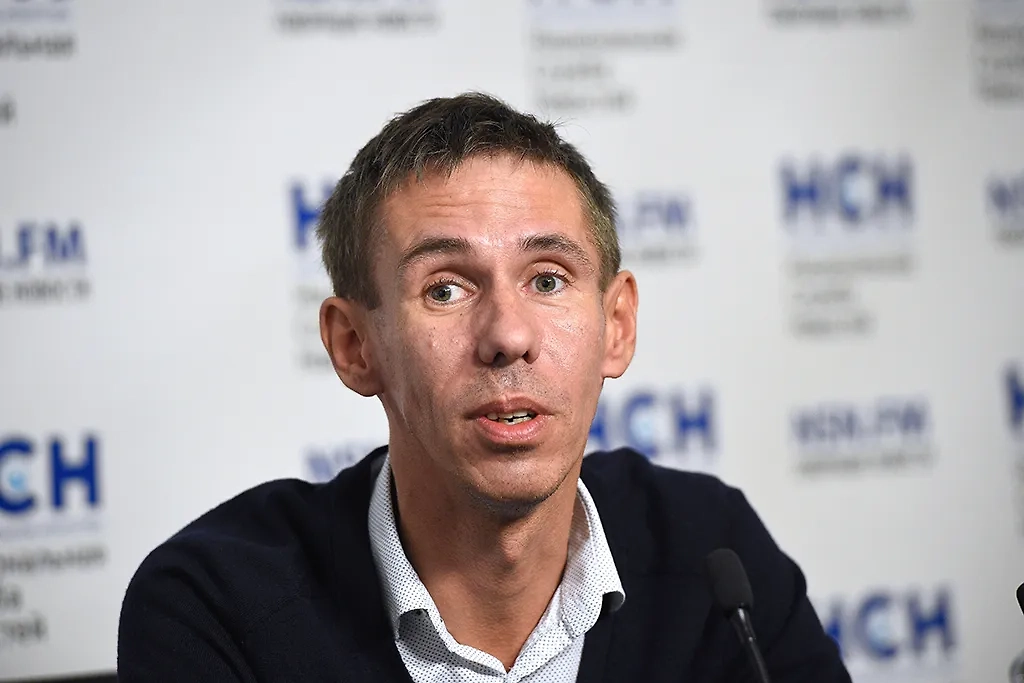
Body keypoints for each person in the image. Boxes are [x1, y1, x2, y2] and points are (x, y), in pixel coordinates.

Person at [117, 92, 851, 682]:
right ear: (354, 345)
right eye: (444, 288)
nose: (507, 334)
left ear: (617, 325)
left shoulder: (713, 555)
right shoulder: (216, 605)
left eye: (548, 280)